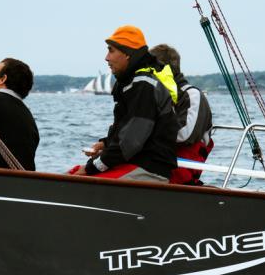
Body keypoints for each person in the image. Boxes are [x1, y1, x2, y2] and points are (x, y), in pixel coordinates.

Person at [72, 25, 178, 182]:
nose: (106, 58)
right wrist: (106, 143)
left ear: (128, 54)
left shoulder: (143, 86)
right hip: (135, 163)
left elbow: (130, 142)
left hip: (149, 169)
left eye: (111, 51)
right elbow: (127, 131)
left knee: (78, 181)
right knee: (73, 174)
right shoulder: (133, 83)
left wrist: (91, 168)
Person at [150, 43, 214, 185]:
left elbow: (184, 134)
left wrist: (146, 131)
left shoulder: (192, 95)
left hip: (179, 168)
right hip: (156, 162)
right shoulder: (154, 94)